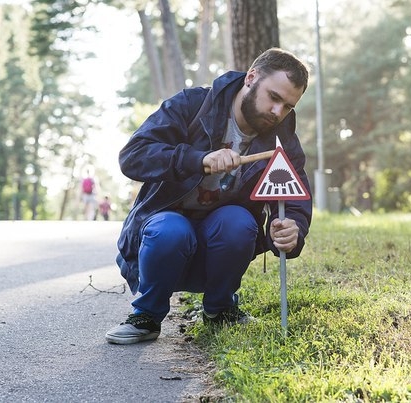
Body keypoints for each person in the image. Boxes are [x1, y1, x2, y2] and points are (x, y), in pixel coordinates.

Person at [105, 48, 313, 345]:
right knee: (171, 229)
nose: (278, 112)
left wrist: (294, 228)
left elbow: (295, 198)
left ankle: (220, 308)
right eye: (274, 98)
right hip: (163, 240)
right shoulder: (192, 105)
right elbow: (133, 157)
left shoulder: (283, 138)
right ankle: (146, 316)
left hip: (218, 246)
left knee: (238, 221)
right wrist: (197, 159)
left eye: (288, 107)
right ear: (251, 78)